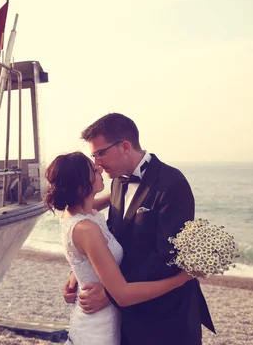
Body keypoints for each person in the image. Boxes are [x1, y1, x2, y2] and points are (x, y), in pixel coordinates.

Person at [62, 113, 215, 345]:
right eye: (94, 156)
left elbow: (167, 256)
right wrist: (82, 271)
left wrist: (111, 293)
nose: (97, 163)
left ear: (124, 146)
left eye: (100, 153)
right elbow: (111, 234)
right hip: (129, 319)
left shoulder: (172, 183)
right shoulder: (116, 181)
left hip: (166, 318)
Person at [45, 151, 195, 345]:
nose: (98, 167)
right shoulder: (86, 229)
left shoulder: (77, 212)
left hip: (101, 319)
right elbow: (122, 295)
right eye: (92, 169)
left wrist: (78, 272)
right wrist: (183, 277)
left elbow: (122, 199)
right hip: (98, 328)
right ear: (82, 188)